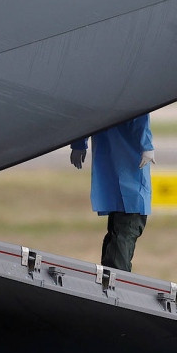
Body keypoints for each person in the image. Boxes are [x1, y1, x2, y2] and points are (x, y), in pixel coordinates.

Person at [71, 115, 153, 272]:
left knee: (116, 237)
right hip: (130, 185)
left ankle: (110, 282)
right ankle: (114, 284)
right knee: (122, 237)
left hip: (118, 181)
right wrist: (146, 145)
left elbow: (90, 111)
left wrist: (79, 143)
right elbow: (141, 115)